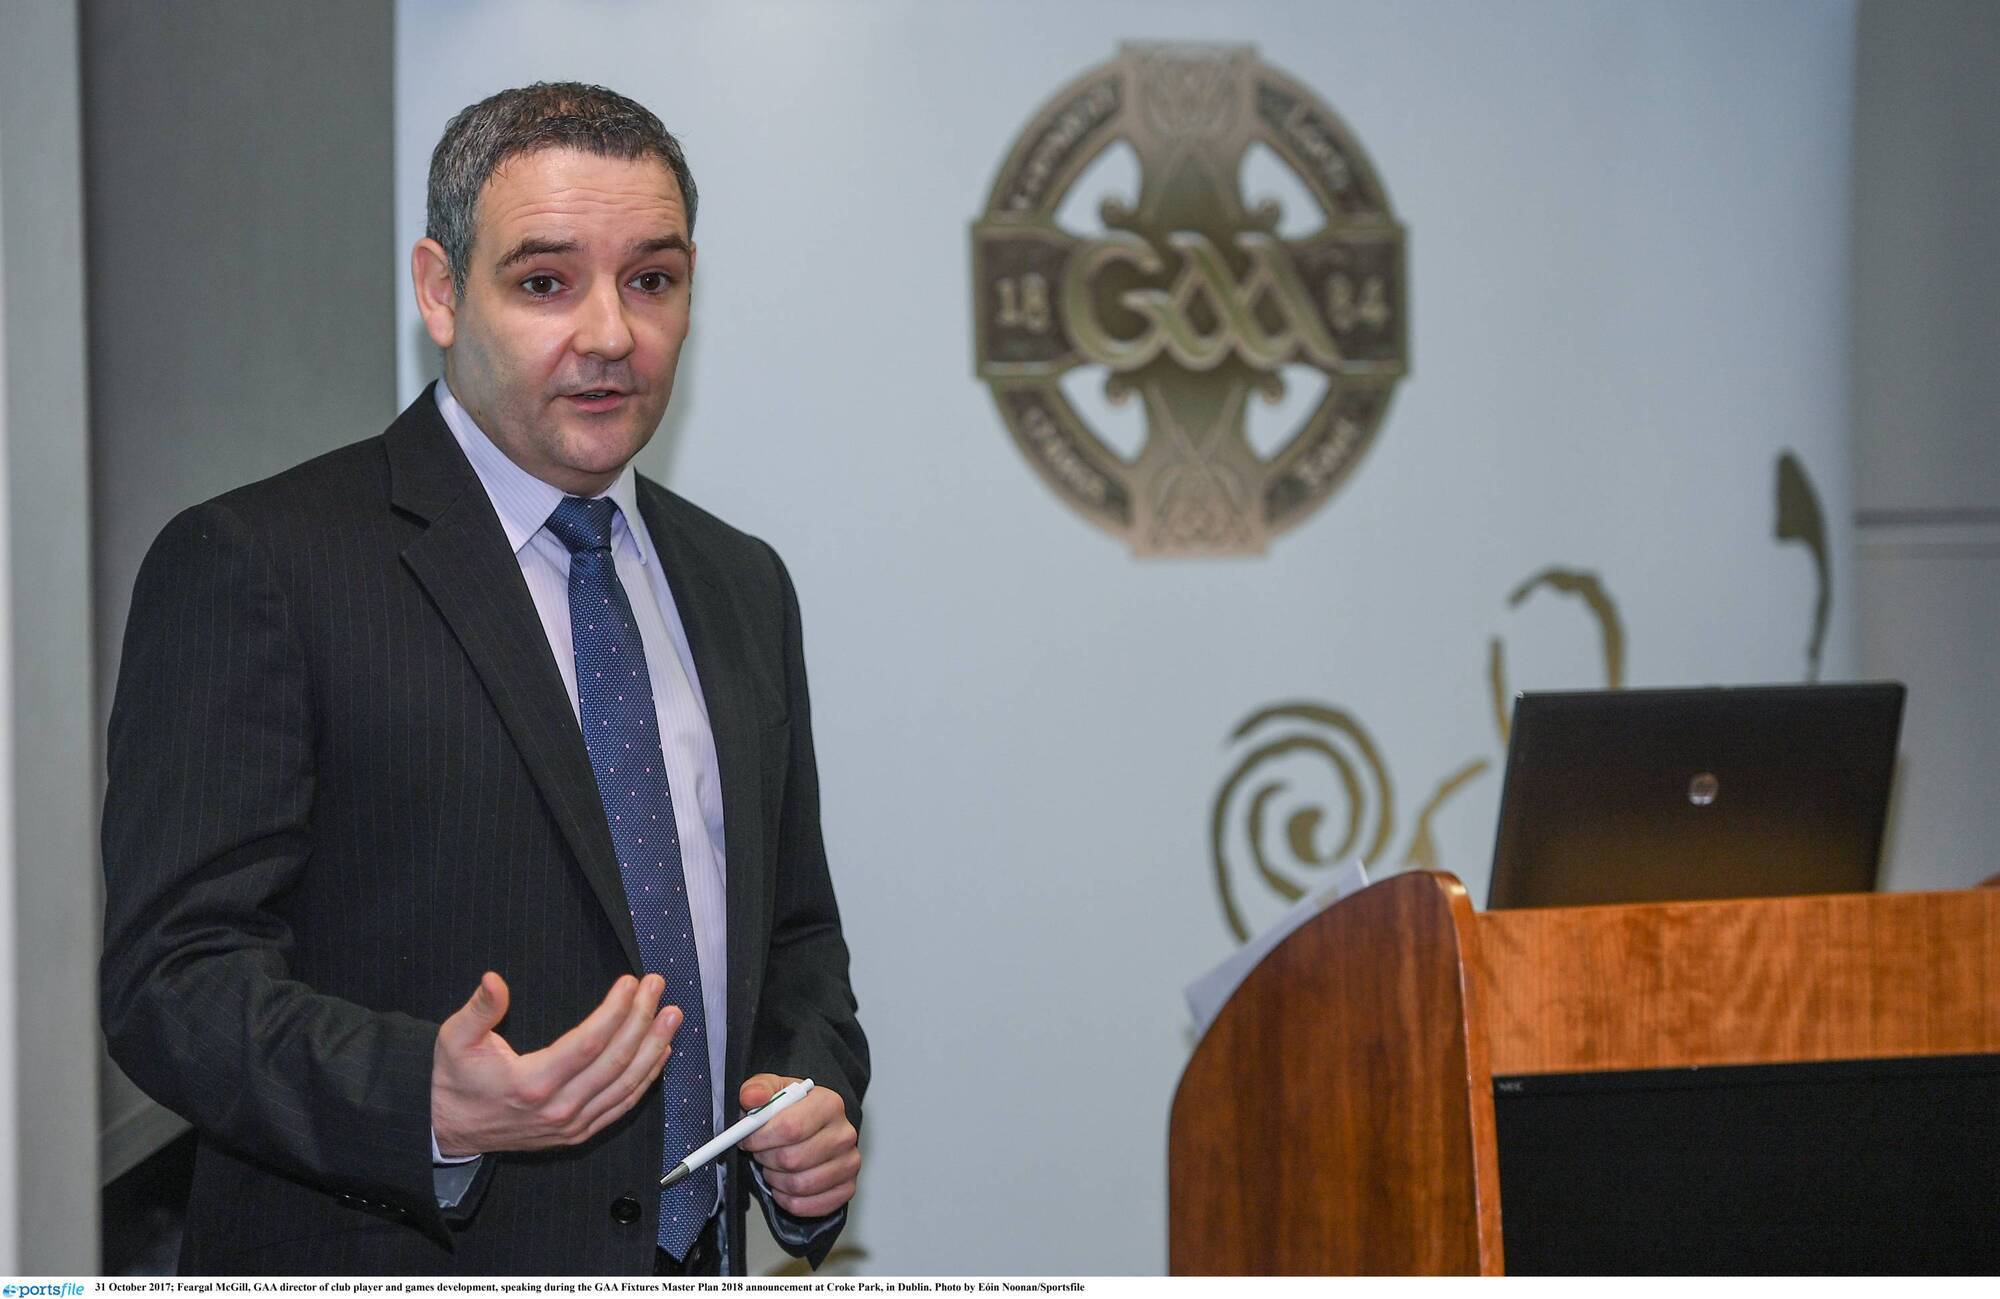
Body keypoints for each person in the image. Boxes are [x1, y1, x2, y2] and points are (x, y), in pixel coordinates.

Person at [99, 82, 868, 1277]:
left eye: (652, 280)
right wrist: (427, 1102)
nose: (610, 333)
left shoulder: (740, 583)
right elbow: (171, 980)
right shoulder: (259, 563)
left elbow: (796, 939)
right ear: (441, 291)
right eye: (545, 282)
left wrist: (805, 1106)